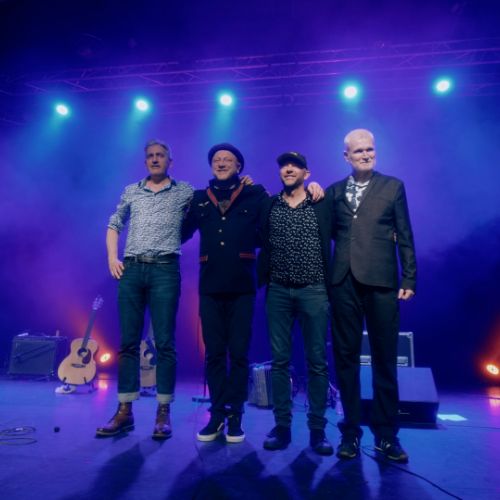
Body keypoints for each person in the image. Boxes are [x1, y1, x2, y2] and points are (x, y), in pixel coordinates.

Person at [328, 129, 416, 463]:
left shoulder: (393, 186)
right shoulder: (334, 191)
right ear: (346, 156)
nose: (366, 154)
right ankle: (350, 433)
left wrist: (409, 276)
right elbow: (326, 235)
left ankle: (387, 435)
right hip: (343, 282)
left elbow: (405, 234)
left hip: (382, 281)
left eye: (370, 149)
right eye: (359, 151)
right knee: (346, 359)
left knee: (384, 359)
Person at [96, 139, 193, 440]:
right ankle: (124, 410)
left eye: (160, 155)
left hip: (165, 269)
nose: (155, 159)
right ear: (145, 161)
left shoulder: (184, 191)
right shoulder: (131, 191)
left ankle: (163, 412)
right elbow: (114, 224)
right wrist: (112, 258)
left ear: (170, 161)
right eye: (150, 155)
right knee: (128, 343)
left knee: (164, 343)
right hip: (133, 269)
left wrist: (243, 183)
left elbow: (213, 205)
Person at [182, 144, 268, 443]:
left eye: (227, 160)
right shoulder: (198, 198)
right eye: (216, 160)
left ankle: (235, 415)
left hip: (242, 285)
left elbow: (268, 232)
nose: (221, 163)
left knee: (239, 354)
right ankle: (217, 413)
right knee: (215, 354)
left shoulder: (255, 194)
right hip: (210, 286)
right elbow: (181, 232)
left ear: (238, 166)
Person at [257, 152, 333, 455]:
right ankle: (282, 427)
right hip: (278, 290)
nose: (288, 169)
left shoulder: (320, 202)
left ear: (306, 172)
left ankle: (318, 430)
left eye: (295, 166)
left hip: (314, 290)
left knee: (317, 362)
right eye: (284, 166)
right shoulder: (270, 205)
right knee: (279, 362)